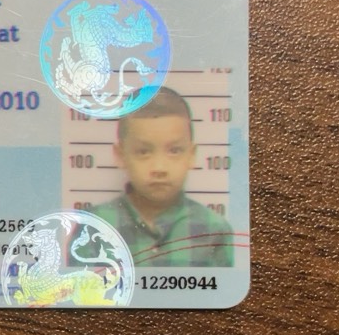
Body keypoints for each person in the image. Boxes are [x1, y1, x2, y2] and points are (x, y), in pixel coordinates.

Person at [90, 87, 234, 267]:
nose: (159, 168)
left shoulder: (214, 231)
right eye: (143, 152)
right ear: (120, 155)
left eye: (174, 151)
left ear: (191, 155)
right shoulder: (93, 226)